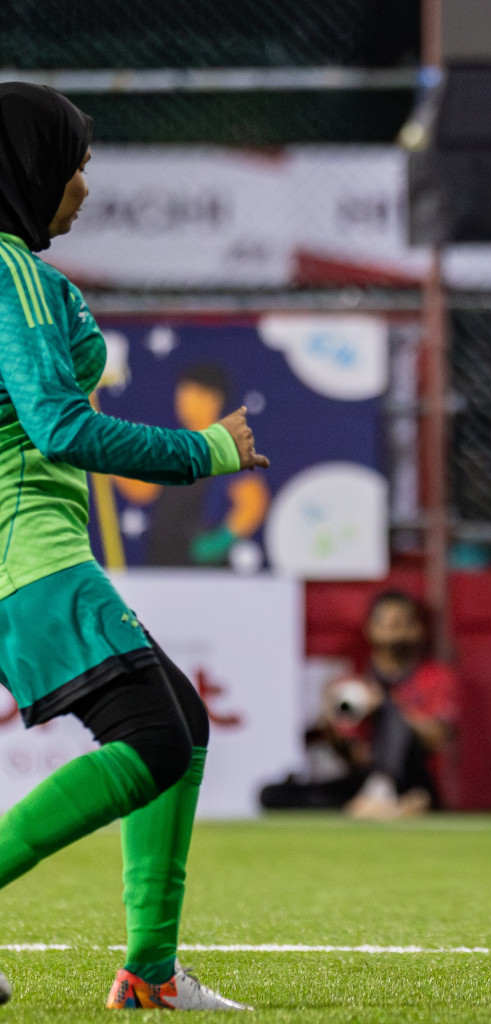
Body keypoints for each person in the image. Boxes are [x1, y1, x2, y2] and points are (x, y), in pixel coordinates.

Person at [0, 83, 263, 1010]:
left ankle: (150, 972)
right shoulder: (9, 268)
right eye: (74, 165)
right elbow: (59, 426)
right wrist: (207, 451)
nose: (82, 188)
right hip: (25, 554)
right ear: (27, 169)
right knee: (152, 740)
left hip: (21, 558)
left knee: (180, 729)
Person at [260, 591, 458, 817]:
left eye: (401, 623)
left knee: (393, 717)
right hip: (364, 780)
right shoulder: (351, 683)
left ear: (417, 629)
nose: (392, 630)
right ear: (370, 628)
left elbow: (437, 738)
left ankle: (388, 797)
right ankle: (374, 807)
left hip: (412, 779)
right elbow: (349, 754)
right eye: (386, 623)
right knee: (272, 795)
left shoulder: (435, 679)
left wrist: (388, 705)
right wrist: (333, 726)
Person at [115, 364, 271, 567]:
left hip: (201, 568)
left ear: (215, 400)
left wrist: (221, 540)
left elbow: (253, 502)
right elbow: (145, 491)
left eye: (195, 394)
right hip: (162, 560)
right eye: (183, 393)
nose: (185, 401)